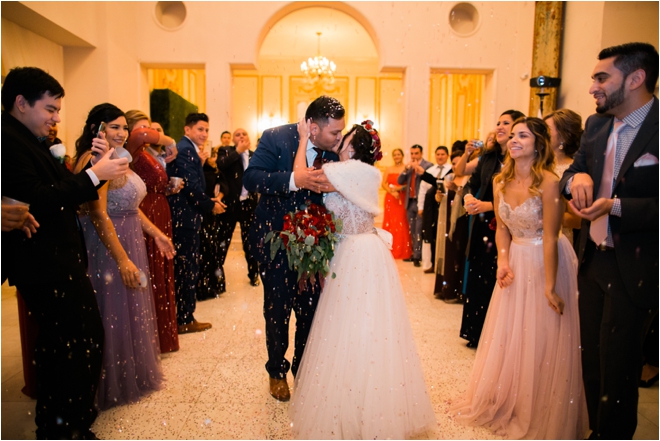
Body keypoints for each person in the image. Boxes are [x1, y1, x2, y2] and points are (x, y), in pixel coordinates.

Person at [1, 66, 128, 439]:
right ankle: (63, 426)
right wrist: (94, 175)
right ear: (21, 103)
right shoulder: (8, 140)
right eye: (50, 109)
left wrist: (91, 169)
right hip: (43, 262)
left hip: (57, 259)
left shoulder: (28, 137)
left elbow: (54, 189)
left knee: (74, 342)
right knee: (71, 344)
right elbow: (39, 198)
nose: (56, 118)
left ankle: (68, 422)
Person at [289, 119, 436, 439]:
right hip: (355, 251)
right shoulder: (356, 171)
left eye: (346, 136)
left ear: (355, 146)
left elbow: (301, 177)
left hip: (357, 253)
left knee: (355, 326)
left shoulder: (352, 170)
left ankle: (360, 404)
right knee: (357, 327)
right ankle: (360, 397)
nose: (340, 138)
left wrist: (302, 139)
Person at [452, 117, 589, 439]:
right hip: (515, 259)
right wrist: (502, 260)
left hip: (548, 260)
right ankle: (511, 397)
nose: (513, 140)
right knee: (514, 333)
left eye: (522, 136)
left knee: (543, 335)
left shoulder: (549, 182)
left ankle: (540, 403)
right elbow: (502, 227)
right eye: (512, 135)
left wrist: (550, 286)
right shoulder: (500, 180)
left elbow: (553, 236)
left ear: (538, 144)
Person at [560, 42, 658, 439]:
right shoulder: (596, 126)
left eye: (602, 78)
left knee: (618, 373)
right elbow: (572, 173)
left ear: (636, 79)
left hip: (634, 266)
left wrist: (616, 206)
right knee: (592, 363)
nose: (592, 88)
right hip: (593, 262)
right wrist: (575, 179)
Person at [74, 103, 175, 409]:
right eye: (113, 126)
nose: (120, 132)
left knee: (128, 309)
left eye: (123, 127)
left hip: (130, 236)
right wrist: (122, 259)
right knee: (111, 308)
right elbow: (98, 213)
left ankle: (128, 373)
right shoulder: (95, 160)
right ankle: (105, 382)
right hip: (106, 244)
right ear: (97, 129)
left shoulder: (121, 158)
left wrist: (156, 233)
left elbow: (131, 207)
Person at [243, 95, 343, 402]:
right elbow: (252, 177)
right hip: (276, 241)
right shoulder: (276, 137)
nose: (339, 139)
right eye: (334, 133)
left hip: (315, 244)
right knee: (277, 309)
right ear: (312, 128)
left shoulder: (335, 152)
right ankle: (276, 370)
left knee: (310, 309)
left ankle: (302, 369)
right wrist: (291, 180)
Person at [461, 109, 525, 347]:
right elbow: (472, 184)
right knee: (478, 276)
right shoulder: (488, 158)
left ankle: (496, 338)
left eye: (506, 123)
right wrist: (468, 198)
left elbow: (518, 199)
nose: (499, 127)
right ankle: (476, 332)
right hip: (482, 226)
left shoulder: (517, 160)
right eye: (498, 123)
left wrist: (487, 205)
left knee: (496, 278)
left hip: (504, 226)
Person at [125, 109, 182, 353]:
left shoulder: (143, 152)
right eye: (143, 128)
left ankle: (162, 332)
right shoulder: (132, 148)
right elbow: (142, 134)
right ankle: (153, 334)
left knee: (162, 272)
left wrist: (168, 187)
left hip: (158, 208)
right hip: (147, 213)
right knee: (153, 271)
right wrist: (169, 140)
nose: (149, 133)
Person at [167, 113, 225, 334]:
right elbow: (191, 187)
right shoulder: (185, 150)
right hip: (185, 219)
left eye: (206, 130)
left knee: (187, 267)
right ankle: (184, 318)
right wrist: (211, 206)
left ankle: (184, 315)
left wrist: (208, 200)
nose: (204, 134)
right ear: (187, 129)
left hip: (187, 216)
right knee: (186, 268)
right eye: (200, 129)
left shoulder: (187, 149)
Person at [215, 127, 260, 290]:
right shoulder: (225, 151)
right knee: (222, 242)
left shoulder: (255, 155)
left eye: (244, 134)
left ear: (249, 137)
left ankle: (254, 274)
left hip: (249, 205)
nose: (241, 136)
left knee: (250, 242)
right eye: (237, 135)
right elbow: (221, 165)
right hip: (230, 205)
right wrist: (238, 152)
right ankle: (218, 279)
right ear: (233, 139)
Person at [433, 149, 473, 301]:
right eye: (454, 164)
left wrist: (457, 190)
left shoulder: (467, 180)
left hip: (460, 223)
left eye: (458, 163)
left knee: (456, 256)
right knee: (446, 254)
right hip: (446, 222)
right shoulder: (449, 177)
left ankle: (454, 291)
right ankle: (443, 289)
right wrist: (439, 197)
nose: (456, 166)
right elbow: (443, 200)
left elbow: (468, 199)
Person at [543, 109, 583, 245]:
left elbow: (576, 220)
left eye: (546, 130)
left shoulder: (572, 172)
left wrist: (537, 219)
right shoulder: (535, 166)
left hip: (558, 242)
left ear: (564, 137)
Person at [197, 146, 228, 300]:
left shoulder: (216, 171)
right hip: (203, 212)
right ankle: (203, 287)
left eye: (214, 155)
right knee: (204, 249)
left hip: (213, 215)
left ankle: (214, 285)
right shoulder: (202, 171)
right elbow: (200, 192)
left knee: (213, 249)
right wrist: (211, 203)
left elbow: (224, 185)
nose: (213, 158)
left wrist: (219, 198)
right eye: (211, 155)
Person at [417, 145, 452, 273]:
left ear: (447, 156)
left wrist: (424, 175)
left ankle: (441, 263)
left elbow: (443, 184)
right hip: (430, 207)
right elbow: (422, 191)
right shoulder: (431, 170)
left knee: (442, 233)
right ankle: (431, 263)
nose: (440, 157)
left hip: (445, 206)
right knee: (430, 234)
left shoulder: (451, 170)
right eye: (438, 154)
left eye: (443, 154)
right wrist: (420, 207)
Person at [397, 144, 433, 266]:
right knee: (412, 229)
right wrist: (406, 169)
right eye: (412, 153)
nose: (414, 156)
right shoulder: (409, 167)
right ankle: (414, 254)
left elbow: (430, 181)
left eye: (416, 153)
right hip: (410, 202)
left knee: (419, 229)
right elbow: (399, 181)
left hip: (421, 202)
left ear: (421, 154)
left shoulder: (428, 166)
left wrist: (420, 171)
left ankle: (418, 256)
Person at [380, 148, 412, 259]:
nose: (396, 156)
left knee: (402, 222)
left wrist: (399, 189)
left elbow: (409, 184)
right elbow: (383, 184)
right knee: (390, 222)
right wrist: (392, 192)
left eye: (398, 154)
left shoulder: (406, 168)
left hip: (402, 198)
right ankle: (389, 249)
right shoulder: (389, 169)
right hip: (390, 198)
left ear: (402, 156)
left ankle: (402, 249)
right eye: (395, 155)